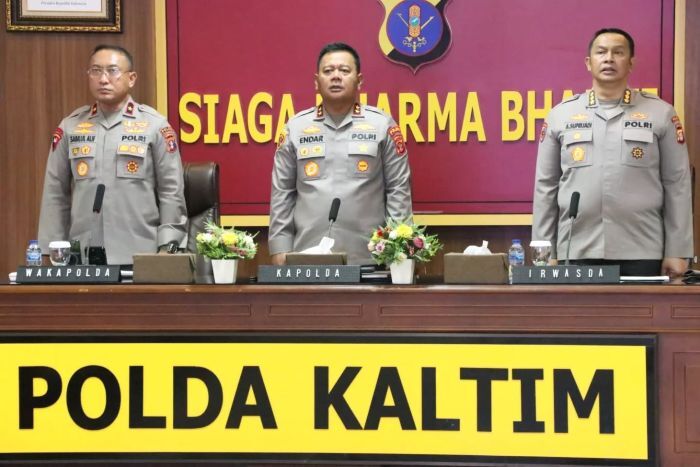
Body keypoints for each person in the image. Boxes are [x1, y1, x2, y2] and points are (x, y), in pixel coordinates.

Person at [532, 28, 693, 277]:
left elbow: (677, 183)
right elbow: (546, 186)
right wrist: (544, 252)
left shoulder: (660, 113)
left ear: (631, 63)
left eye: (618, 52)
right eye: (601, 52)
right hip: (575, 248)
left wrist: (678, 251)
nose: (609, 58)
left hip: (642, 249)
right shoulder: (561, 115)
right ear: (589, 62)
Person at [38, 45, 187, 265]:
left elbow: (171, 192)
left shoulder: (155, 126)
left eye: (112, 70)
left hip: (141, 255)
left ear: (131, 78)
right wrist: (51, 250)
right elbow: (55, 192)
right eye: (96, 71)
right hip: (83, 258)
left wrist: (168, 247)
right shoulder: (71, 126)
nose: (103, 79)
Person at [269, 42, 412, 265]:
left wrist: (398, 248)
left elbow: (398, 189)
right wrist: (280, 247)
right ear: (316, 81)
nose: (336, 76)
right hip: (306, 258)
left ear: (359, 81)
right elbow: (282, 192)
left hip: (370, 258)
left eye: (344, 70)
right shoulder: (295, 128)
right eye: (328, 71)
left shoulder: (382, 125)